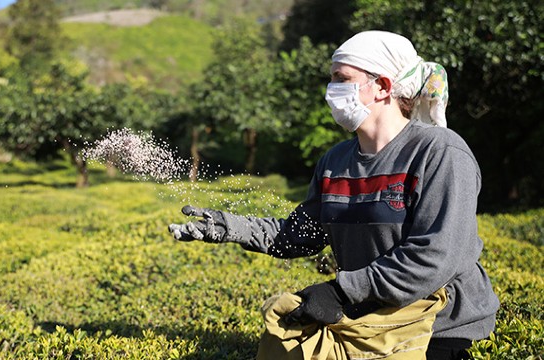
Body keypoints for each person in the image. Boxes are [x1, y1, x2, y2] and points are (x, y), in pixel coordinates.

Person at [169, 30, 499, 360]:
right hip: (368, 316)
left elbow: (436, 255)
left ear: (382, 86)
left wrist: (340, 292)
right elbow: (301, 235)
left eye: (341, 79)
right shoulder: (335, 162)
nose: (331, 91)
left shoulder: (439, 152)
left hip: (438, 327)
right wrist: (230, 227)